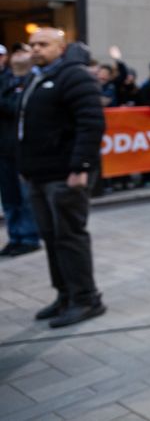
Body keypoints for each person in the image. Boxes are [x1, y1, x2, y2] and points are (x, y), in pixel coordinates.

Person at [19, 28, 106, 328]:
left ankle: (86, 298)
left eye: (43, 44)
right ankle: (65, 294)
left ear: (61, 47)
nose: (36, 50)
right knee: (51, 238)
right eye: (32, 45)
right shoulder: (35, 77)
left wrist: (80, 167)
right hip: (38, 175)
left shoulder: (75, 76)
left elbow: (92, 122)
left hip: (65, 175)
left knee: (69, 236)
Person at [0, 44, 41, 257]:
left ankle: (29, 236)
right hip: (4, 148)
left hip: (23, 149)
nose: (19, 57)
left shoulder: (34, 81)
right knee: (9, 197)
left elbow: (18, 107)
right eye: (16, 53)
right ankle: (15, 236)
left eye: (22, 52)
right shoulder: (5, 80)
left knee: (25, 196)